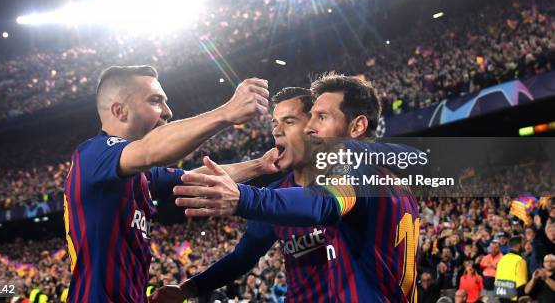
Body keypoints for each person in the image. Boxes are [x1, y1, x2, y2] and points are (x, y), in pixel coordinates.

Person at [168, 73, 423, 301]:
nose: (277, 131)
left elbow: (321, 203)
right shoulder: (285, 192)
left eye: (290, 121)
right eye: (274, 124)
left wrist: (243, 198)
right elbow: (242, 257)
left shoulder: (359, 171)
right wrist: (188, 289)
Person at [64, 65, 277, 302]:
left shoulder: (141, 174)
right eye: (156, 101)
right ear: (120, 111)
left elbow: (196, 177)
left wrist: (260, 165)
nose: (168, 111)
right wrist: (226, 112)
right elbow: (151, 150)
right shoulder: (93, 153)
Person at [494, 235, 529, 302]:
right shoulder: (520, 260)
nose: (524, 245)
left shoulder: (502, 259)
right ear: (519, 245)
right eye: (523, 243)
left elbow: (497, 279)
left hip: (501, 296)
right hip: (514, 298)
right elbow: (521, 284)